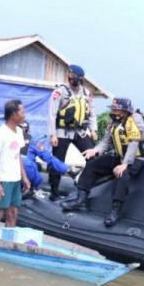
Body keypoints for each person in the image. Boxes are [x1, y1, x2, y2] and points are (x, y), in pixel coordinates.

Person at [61, 98, 144, 227]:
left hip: (140, 158)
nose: (113, 112)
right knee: (93, 164)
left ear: (124, 111)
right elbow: (106, 141)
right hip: (122, 156)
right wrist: (95, 150)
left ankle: (115, 210)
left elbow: (134, 143)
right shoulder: (114, 121)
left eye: (116, 109)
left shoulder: (135, 120)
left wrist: (125, 164)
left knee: (122, 174)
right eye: (113, 109)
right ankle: (80, 198)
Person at [0, 121, 70, 233]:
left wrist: (66, 169)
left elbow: (49, 158)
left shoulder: (32, 143)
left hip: (25, 177)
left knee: (27, 165)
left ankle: (30, 189)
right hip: (6, 176)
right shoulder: (3, 139)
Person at [48, 64, 97, 201]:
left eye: (75, 76)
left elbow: (92, 113)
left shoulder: (87, 93)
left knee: (93, 156)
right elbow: (52, 114)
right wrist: (53, 134)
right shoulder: (60, 92)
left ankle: (85, 187)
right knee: (57, 161)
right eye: (71, 75)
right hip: (63, 132)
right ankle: (54, 192)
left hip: (80, 131)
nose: (72, 78)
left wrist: (93, 130)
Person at [0, 100, 30, 237]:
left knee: (13, 213)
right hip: (3, 179)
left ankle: (7, 242)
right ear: (13, 114)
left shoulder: (19, 131)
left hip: (15, 179)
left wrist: (24, 177)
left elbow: (17, 156)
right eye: (22, 112)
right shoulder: (0, 133)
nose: (25, 115)